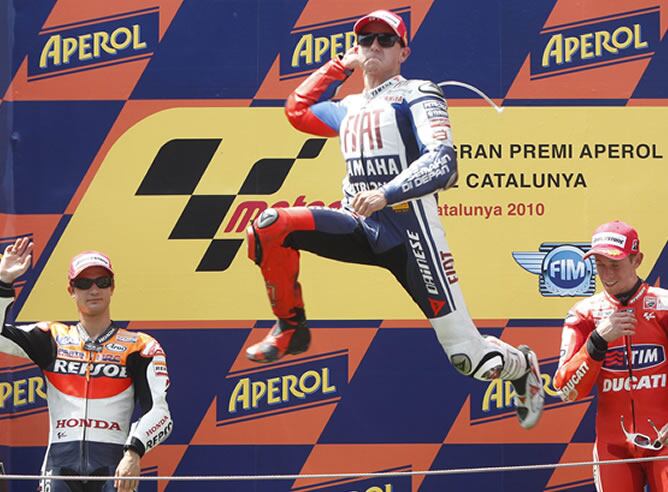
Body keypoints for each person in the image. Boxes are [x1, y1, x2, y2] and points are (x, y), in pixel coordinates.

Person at [244, 9, 544, 429]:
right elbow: (297, 110)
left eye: (386, 40)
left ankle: (521, 364)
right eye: (366, 39)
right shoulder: (348, 107)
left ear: (404, 51)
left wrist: (386, 194)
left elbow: (444, 163)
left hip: (412, 235)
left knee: (468, 359)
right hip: (361, 226)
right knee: (270, 226)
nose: (374, 47)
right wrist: (338, 66)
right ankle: (292, 328)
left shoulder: (417, 92)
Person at [0, 237, 172, 492]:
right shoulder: (52, 337)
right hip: (59, 464)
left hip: (115, 464)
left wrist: (133, 452)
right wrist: (3, 282)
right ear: (71, 290)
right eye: (83, 283)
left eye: (102, 282)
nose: (94, 290)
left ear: (112, 287)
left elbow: (161, 414)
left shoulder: (140, 346)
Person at [554, 221, 668, 491]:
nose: (607, 274)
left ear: (637, 259)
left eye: (615, 265)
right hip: (613, 448)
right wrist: (598, 341)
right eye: (600, 265)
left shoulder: (664, 306)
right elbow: (566, 390)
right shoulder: (584, 314)